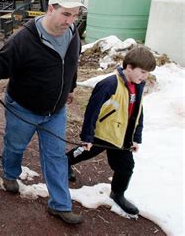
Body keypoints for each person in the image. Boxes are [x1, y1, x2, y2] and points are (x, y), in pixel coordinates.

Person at [0, 0, 86, 224]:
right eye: (66, 14)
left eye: (75, 15)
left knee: (56, 156)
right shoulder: (24, 38)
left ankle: (60, 204)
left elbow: (72, 64)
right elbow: (2, 62)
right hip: (23, 108)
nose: (70, 21)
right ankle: (10, 174)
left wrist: (70, 88)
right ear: (51, 8)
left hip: (55, 111)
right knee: (15, 146)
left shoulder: (72, 35)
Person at [66, 46, 156, 215]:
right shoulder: (109, 84)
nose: (145, 77)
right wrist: (87, 136)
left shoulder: (138, 85)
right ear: (129, 67)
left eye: (147, 73)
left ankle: (118, 193)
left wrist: (136, 136)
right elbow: (92, 111)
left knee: (126, 167)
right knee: (86, 152)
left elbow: (138, 112)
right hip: (103, 132)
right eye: (142, 72)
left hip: (123, 136)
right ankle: (66, 162)